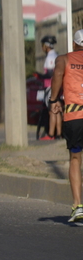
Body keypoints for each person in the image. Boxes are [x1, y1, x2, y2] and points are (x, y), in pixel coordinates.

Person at [49, 30, 83, 223]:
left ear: (74, 43)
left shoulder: (64, 59)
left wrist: (53, 99)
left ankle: (78, 205)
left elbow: (58, 74)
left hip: (75, 115)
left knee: (75, 158)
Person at [41, 35, 61, 140]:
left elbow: (49, 73)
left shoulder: (50, 57)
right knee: (57, 110)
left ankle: (51, 134)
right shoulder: (56, 55)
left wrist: (40, 76)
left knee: (51, 111)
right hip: (57, 87)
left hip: (50, 87)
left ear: (46, 46)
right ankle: (59, 133)